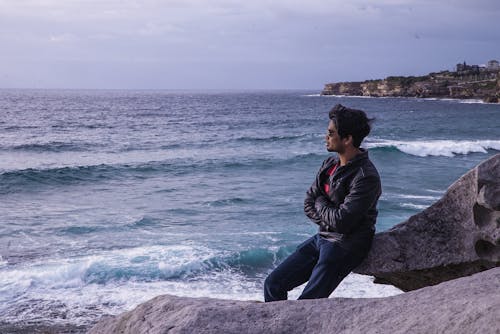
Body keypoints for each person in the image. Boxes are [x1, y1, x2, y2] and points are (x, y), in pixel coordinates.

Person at [264, 104, 381, 301]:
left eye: (331, 133)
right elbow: (308, 202)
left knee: (307, 303)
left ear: (347, 139)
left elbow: (342, 221)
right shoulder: (330, 165)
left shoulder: (365, 177)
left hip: (346, 246)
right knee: (273, 284)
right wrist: (326, 211)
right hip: (323, 238)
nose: (325, 137)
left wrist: (321, 202)